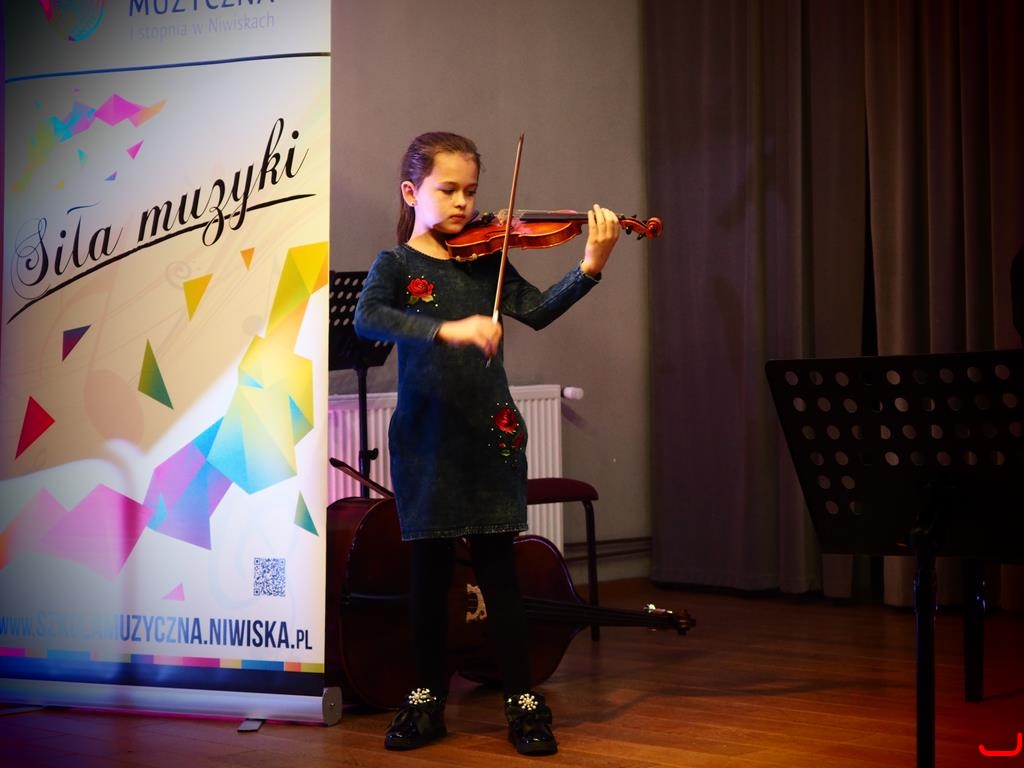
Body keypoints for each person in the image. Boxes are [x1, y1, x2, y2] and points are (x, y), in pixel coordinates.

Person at [354, 131, 620, 756]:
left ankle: (522, 701)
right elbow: (369, 318)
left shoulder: (487, 260)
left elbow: (538, 309)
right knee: (429, 577)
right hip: (428, 439)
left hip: (491, 436)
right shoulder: (397, 265)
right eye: (447, 190)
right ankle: (426, 700)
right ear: (411, 192)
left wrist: (590, 265)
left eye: (470, 191)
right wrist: (448, 329)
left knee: (500, 577)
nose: (462, 203)